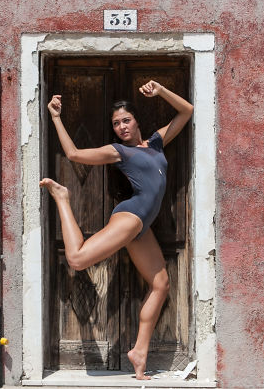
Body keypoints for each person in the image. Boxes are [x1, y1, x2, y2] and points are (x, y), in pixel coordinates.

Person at [40, 79, 193, 380]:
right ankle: (63, 198)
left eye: (126, 120)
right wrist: (56, 117)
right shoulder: (119, 152)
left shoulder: (156, 143)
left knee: (161, 284)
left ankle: (139, 353)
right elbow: (73, 154)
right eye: (116, 124)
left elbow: (186, 111)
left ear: (136, 121)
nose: (122, 127)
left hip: (142, 226)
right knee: (77, 259)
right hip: (131, 216)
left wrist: (160, 91)